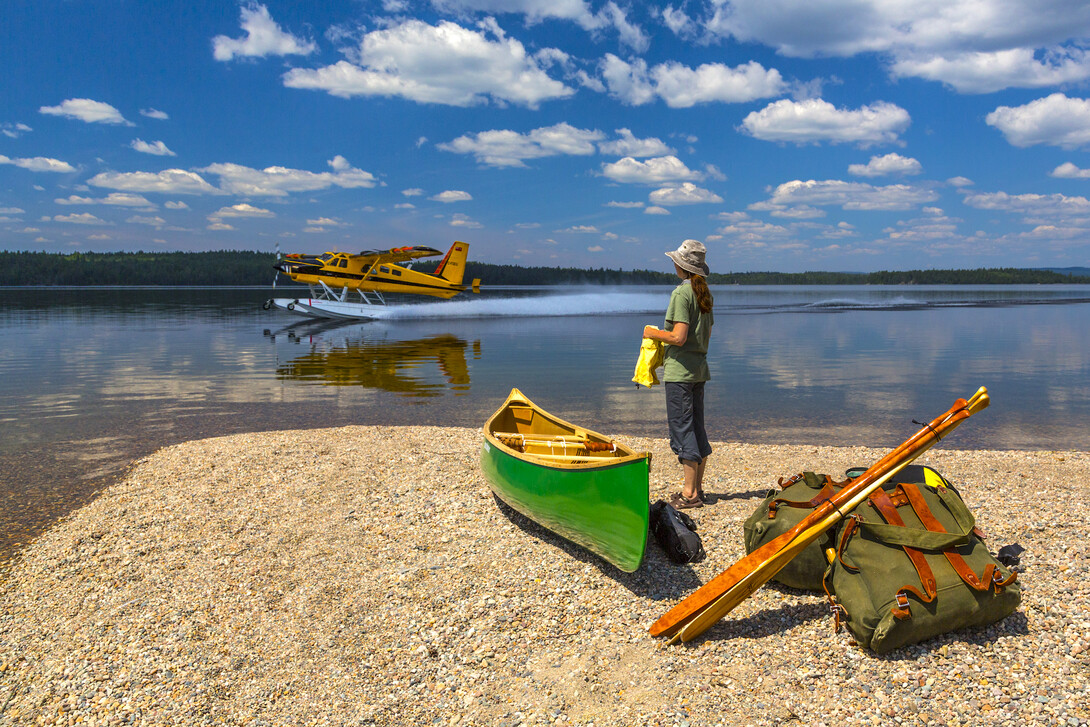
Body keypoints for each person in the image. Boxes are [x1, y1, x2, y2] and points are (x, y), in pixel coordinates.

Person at [643, 239, 714, 509]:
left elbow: (679, 337)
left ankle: (689, 494)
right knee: (696, 428)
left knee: (682, 430)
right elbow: (706, 335)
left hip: (680, 373)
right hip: (698, 371)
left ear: (681, 266)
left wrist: (652, 333)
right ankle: (697, 489)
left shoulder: (681, 294)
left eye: (675, 260)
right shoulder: (704, 293)